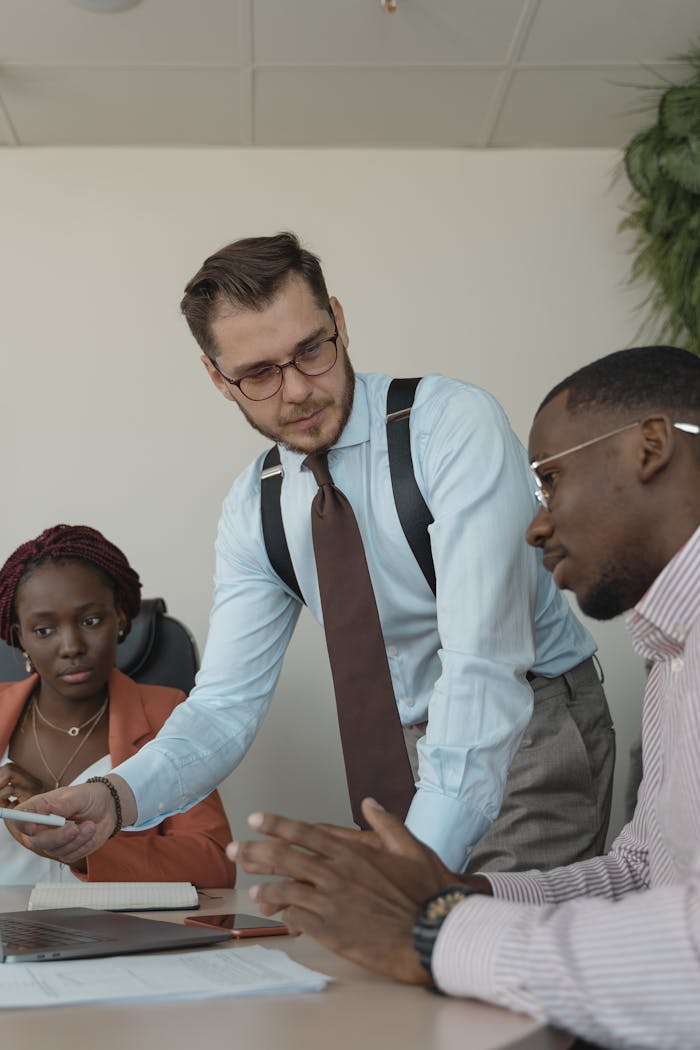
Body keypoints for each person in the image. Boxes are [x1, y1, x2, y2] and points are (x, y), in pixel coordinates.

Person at [14, 233, 612, 875]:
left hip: (528, 720)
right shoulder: (255, 508)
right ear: (219, 379)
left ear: (340, 322)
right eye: (260, 373)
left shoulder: (450, 426)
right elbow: (223, 705)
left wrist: (415, 865)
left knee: (491, 954)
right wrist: (116, 796)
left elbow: (484, 664)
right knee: (409, 958)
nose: (297, 390)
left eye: (311, 350)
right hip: (408, 749)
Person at [229, 345, 700, 1050]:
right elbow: (644, 875)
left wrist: (432, 933)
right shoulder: (673, 654)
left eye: (549, 481)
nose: (535, 526)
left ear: (652, 446)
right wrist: (449, 896)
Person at [0, 524, 236, 887]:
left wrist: (84, 851)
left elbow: (214, 864)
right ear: (20, 639)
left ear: (121, 620)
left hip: (116, 938)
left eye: (90, 621)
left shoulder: (167, 712)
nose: (71, 646)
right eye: (44, 630)